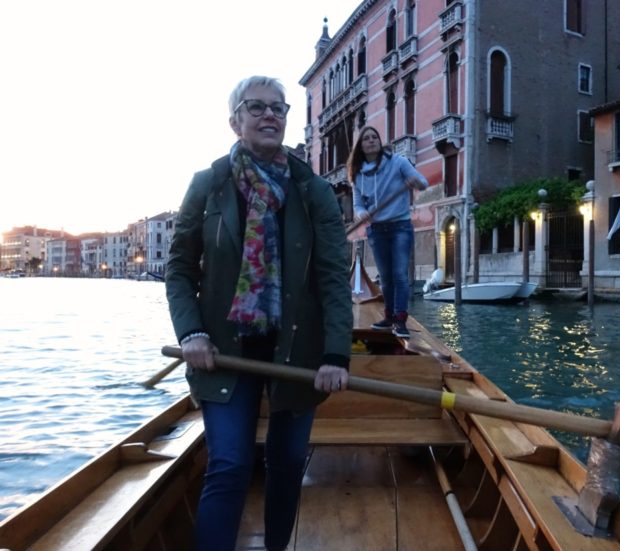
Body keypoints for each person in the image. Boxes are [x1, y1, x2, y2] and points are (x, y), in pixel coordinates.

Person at [165, 76, 353, 551]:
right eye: (256, 107)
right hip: (225, 350)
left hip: (299, 349)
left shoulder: (313, 191)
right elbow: (180, 270)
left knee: (288, 465)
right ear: (235, 122)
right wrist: (191, 333)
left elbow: (333, 276)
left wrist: (336, 354)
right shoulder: (208, 185)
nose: (270, 115)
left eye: (278, 108)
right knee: (229, 464)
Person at [348, 126, 428, 338]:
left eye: (375, 137)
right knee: (385, 277)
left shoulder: (399, 162)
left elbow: (424, 183)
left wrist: (415, 181)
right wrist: (362, 213)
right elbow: (357, 205)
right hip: (376, 230)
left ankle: (401, 320)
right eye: (367, 138)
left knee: (400, 275)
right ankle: (389, 316)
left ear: (379, 141)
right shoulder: (357, 175)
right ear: (361, 146)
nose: (371, 140)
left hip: (400, 226)